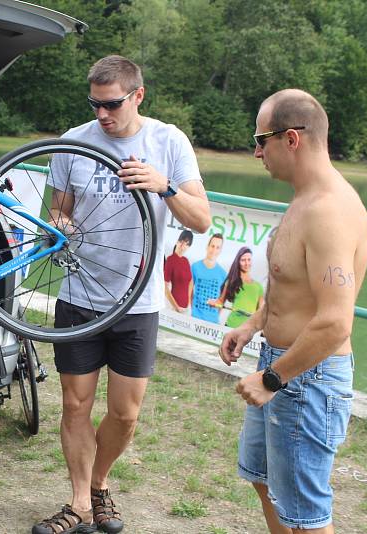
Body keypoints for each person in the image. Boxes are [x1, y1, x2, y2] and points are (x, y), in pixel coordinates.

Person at [35, 55, 210, 534]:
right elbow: (58, 212)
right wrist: (59, 228)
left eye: (111, 104)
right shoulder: (74, 141)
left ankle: (100, 483)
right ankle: (79, 505)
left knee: (125, 414)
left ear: (138, 95)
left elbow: (202, 219)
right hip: (79, 295)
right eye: (94, 104)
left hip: (139, 300)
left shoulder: (168, 141)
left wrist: (163, 185)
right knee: (75, 405)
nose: (101, 115)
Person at [219, 89, 367, 534]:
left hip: (307, 378)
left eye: (260, 140)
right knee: (265, 483)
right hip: (282, 364)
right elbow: (290, 284)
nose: (255, 151)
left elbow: (335, 321)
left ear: (291, 139)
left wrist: (272, 379)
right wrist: (252, 324)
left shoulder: (329, 211)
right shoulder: (303, 199)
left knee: (306, 513)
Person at [208, 246, 263, 327]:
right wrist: (213, 302)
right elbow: (220, 301)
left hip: (248, 330)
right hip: (231, 325)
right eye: (243, 260)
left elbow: (261, 311)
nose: (247, 263)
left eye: (249, 260)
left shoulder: (258, 286)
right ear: (238, 262)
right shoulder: (231, 282)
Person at [190, 233, 227, 323]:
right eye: (212, 246)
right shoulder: (195, 267)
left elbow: (222, 300)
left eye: (217, 247)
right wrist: (193, 310)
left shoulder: (223, 273)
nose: (214, 250)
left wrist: (215, 315)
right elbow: (190, 292)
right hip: (195, 318)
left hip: (213, 322)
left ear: (220, 251)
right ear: (207, 246)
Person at [164, 229, 194, 313]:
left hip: (186, 308)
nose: (183, 246)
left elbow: (191, 281)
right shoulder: (170, 260)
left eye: (187, 244)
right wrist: (176, 307)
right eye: (182, 241)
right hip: (173, 307)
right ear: (177, 241)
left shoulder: (186, 261)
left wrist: (188, 300)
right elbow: (165, 288)